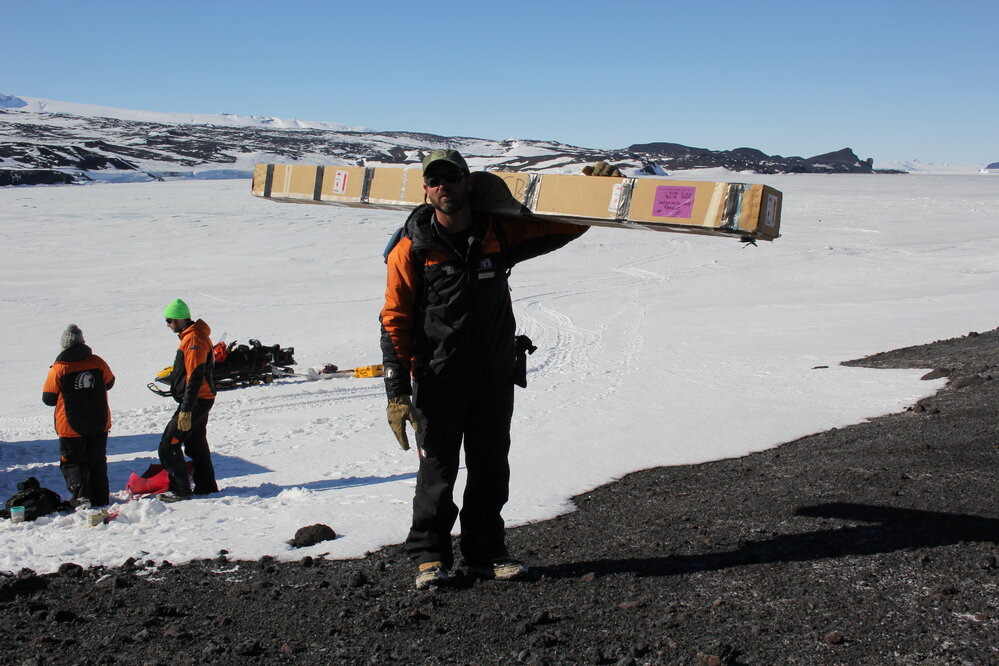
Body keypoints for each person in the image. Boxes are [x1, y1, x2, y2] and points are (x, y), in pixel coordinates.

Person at [380, 149, 593, 589]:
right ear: (425, 188)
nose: (444, 186)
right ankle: (429, 557)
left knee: (490, 468)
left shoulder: (498, 231)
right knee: (437, 471)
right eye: (435, 180)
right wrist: (396, 392)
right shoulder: (411, 247)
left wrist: (594, 190)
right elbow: (394, 319)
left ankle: (485, 553)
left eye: (452, 178)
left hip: (493, 377)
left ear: (468, 183)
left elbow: (567, 226)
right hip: (439, 380)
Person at [42, 324, 115, 507]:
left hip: (70, 426)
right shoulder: (97, 362)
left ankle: (83, 499)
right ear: (83, 342)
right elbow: (110, 382)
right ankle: (100, 499)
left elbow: (49, 398)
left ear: (64, 346)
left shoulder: (59, 368)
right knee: (97, 461)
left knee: (73, 463)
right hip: (98, 422)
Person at [158, 298, 219, 502]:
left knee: (169, 444)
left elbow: (195, 376)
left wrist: (185, 409)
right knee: (196, 444)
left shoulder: (193, 339)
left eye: (169, 320)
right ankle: (206, 486)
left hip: (196, 399)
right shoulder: (191, 336)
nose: (168, 324)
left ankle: (179, 490)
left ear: (180, 319)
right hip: (200, 398)